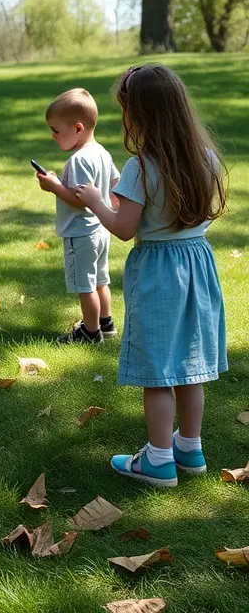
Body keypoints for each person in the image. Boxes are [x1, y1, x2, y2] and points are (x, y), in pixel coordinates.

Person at [75, 65, 227, 487]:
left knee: (159, 369)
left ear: (139, 115)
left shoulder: (140, 167)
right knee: (190, 365)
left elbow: (124, 228)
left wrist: (94, 201)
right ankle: (189, 448)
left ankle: (158, 459)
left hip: (159, 269)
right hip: (197, 264)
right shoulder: (207, 158)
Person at [36, 88, 120, 344]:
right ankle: (106, 323)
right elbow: (116, 184)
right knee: (100, 281)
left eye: (56, 130)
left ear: (78, 128)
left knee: (85, 286)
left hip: (80, 232)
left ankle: (90, 333)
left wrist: (54, 186)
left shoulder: (79, 160)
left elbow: (79, 200)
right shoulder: (101, 152)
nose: (53, 136)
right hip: (100, 230)